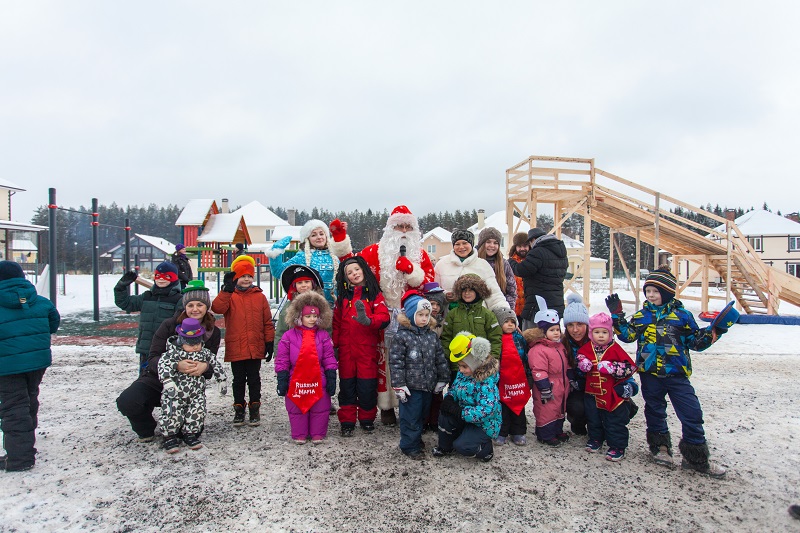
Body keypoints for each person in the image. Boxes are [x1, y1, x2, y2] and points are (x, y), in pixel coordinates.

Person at [607, 267, 727, 478]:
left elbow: (696, 342)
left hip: (677, 375)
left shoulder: (682, 316)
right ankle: (660, 447)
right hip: (649, 373)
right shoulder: (642, 316)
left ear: (668, 292)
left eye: (656, 291)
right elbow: (627, 336)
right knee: (654, 410)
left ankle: (695, 456)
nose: (651, 295)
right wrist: (617, 317)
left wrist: (715, 331)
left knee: (691, 412)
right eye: (648, 291)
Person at [329, 205, 436, 426]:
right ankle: (386, 406)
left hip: (411, 317)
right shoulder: (372, 252)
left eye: (408, 226)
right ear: (390, 229)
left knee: (410, 362)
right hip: (380, 315)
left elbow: (430, 284)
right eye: (399, 226)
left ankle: (410, 407)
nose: (404, 230)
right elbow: (351, 265)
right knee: (384, 362)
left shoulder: (420, 255)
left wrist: (412, 272)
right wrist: (340, 237)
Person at [117, 280, 221, 442]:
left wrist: (205, 367)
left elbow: (211, 363)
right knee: (128, 401)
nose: (195, 309)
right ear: (185, 306)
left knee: (188, 433)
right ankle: (146, 428)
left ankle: (180, 422)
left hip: (187, 388)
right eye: (190, 305)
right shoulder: (169, 325)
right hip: (158, 379)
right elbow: (153, 357)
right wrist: (175, 365)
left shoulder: (212, 332)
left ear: (206, 306)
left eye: (200, 305)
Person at [0, 261, 60, 472]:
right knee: (29, 398)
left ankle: (20, 458)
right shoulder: (41, 302)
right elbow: (53, 323)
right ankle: (26, 439)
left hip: (7, 366)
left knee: (13, 408)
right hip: (37, 362)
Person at [211, 255, 275, 427]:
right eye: (242, 276)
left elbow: (267, 321)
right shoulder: (229, 295)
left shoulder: (259, 296)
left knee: (254, 378)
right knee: (238, 379)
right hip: (236, 346)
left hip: (255, 345)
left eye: (249, 276)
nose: (246, 279)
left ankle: (255, 407)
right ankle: (239, 408)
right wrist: (226, 290)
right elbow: (217, 308)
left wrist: (269, 341)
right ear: (235, 278)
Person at [333, 256, 390, 436]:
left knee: (367, 387)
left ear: (364, 270)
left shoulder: (374, 294)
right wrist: (335, 346)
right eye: (349, 272)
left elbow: (384, 318)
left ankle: (366, 419)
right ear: (345, 277)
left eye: (356, 270)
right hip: (346, 350)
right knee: (347, 386)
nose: (354, 274)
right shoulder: (342, 297)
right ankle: (347, 421)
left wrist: (369, 320)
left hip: (367, 350)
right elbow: (336, 323)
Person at [389, 293, 449, 460]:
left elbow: (440, 358)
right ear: (410, 315)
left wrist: (442, 378)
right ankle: (409, 446)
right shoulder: (402, 337)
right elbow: (396, 363)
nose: (424, 319)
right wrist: (399, 384)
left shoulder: (431, 336)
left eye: (426, 315)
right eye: (420, 315)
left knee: (422, 415)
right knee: (410, 417)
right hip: (410, 387)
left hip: (427, 385)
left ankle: (415, 440)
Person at [275, 291, 338, 444]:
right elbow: (282, 359)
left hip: (319, 379)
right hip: (296, 380)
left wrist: (331, 375)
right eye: (308, 316)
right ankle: (299, 433)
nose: (312, 319)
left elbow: (329, 357)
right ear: (299, 317)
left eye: (315, 316)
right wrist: (282, 378)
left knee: (320, 407)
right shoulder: (288, 336)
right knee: (296, 408)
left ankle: (317, 432)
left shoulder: (323, 336)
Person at [158, 317, 227, 453]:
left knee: (197, 411)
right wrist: (167, 381)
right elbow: (163, 365)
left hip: (196, 392)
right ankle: (169, 435)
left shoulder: (204, 353)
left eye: (197, 342)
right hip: (176, 391)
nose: (195, 346)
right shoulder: (173, 354)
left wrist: (222, 379)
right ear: (181, 341)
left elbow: (215, 364)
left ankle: (191, 433)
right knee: (172, 412)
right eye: (190, 343)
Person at [576, 312, 637, 462]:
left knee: (614, 421)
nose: (601, 336)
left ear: (610, 333)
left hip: (611, 394)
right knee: (593, 418)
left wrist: (613, 367)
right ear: (591, 333)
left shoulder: (616, 349)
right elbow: (580, 357)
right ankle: (596, 438)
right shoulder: (587, 348)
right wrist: (583, 363)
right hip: (592, 392)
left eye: (604, 332)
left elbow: (630, 367)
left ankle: (617, 446)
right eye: (597, 332)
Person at [432, 333, 500, 463]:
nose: (461, 370)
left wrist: (461, 412)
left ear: (475, 363)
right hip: (464, 417)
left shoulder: (487, 382)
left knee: (463, 446)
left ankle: (485, 450)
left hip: (483, 424)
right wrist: (449, 397)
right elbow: (455, 389)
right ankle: (446, 447)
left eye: (464, 366)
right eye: (459, 366)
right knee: (445, 416)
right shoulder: (464, 374)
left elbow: (487, 410)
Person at [114, 261, 183, 376]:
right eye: (157, 276)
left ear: (174, 278)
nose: (161, 279)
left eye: (167, 276)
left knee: (166, 380)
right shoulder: (146, 297)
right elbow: (125, 303)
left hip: (167, 349)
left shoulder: (178, 299)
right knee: (145, 379)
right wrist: (121, 287)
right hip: (147, 348)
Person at [524, 296, 569, 447]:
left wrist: (571, 377)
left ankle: (557, 430)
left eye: (557, 329)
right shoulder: (538, 349)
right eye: (552, 330)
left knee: (559, 408)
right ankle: (545, 434)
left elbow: (566, 364)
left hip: (561, 384)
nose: (556, 333)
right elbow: (538, 369)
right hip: (547, 386)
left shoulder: (560, 346)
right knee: (546, 410)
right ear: (543, 332)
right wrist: (544, 386)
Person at [440, 274, 503, 382]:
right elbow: (446, 337)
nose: (467, 293)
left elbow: (495, 337)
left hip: (481, 367)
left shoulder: (487, 314)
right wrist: (451, 359)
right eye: (464, 290)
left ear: (478, 292)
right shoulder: (453, 314)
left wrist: (491, 359)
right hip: (458, 367)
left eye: (471, 290)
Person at [266, 220, 340, 305]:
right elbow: (279, 271)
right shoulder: (302, 257)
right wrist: (276, 251)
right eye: (314, 235)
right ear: (307, 239)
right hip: (310, 309)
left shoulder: (335, 256)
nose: (319, 237)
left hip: (335, 308)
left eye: (321, 234)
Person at [434, 229, 510, 311]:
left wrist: (504, 312)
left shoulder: (483, 265)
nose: (461, 247)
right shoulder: (442, 265)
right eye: (457, 244)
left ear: (471, 244)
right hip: (450, 318)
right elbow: (435, 290)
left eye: (465, 243)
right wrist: (445, 295)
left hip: (478, 317)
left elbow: (494, 295)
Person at [513, 228, 568, 329]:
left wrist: (511, 263)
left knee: (534, 338)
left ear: (533, 239)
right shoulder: (560, 251)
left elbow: (522, 270)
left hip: (539, 306)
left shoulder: (538, 251)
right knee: (552, 336)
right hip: (556, 304)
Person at [493, 307, 532, 447]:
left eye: (512, 321)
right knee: (502, 407)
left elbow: (526, 357)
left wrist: (529, 376)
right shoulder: (496, 339)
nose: (510, 324)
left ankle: (518, 431)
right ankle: (502, 432)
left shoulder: (520, 338)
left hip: (518, 379)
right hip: (502, 379)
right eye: (506, 321)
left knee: (519, 406)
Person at [275, 265, 325, 347]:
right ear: (294, 286)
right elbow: (281, 331)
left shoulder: (321, 304)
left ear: (313, 284)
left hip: (317, 349)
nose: (303, 285)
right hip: (294, 351)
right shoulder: (289, 306)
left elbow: (327, 329)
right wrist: (278, 353)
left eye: (307, 282)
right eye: (299, 283)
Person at [562, 293, 591, 435]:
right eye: (570, 325)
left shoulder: (598, 340)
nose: (575, 330)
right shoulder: (563, 344)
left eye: (579, 324)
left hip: (597, 385)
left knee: (627, 408)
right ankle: (577, 421)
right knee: (578, 407)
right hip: (576, 388)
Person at [421, 281, 447, 431]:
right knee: (424, 396)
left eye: (438, 304)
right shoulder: (422, 321)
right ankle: (424, 421)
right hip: (424, 364)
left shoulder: (443, 321)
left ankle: (435, 420)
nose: (435, 308)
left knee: (437, 395)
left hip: (438, 363)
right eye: (432, 304)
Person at [476, 227, 517, 310]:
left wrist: (506, 310)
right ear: (481, 244)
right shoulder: (473, 262)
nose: (492, 246)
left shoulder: (504, 264)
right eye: (488, 242)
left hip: (498, 309)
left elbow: (511, 291)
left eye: (495, 243)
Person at [507, 232, 530, 323]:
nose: (522, 249)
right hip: (515, 307)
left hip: (529, 307)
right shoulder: (510, 263)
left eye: (525, 246)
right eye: (519, 246)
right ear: (515, 247)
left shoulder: (533, 261)